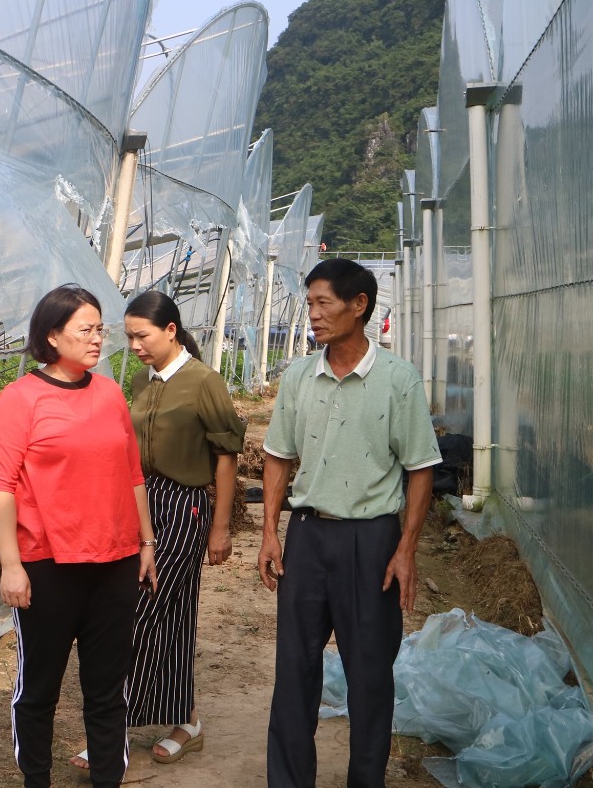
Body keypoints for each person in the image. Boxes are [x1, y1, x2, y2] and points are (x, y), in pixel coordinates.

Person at [257, 258, 441, 788]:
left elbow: (420, 471)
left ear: (358, 305)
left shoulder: (396, 379)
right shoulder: (298, 376)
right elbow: (276, 458)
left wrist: (406, 549)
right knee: (294, 672)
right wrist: (271, 532)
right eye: (309, 303)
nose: (313, 314)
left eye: (324, 303)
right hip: (308, 536)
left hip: (372, 542)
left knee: (369, 677)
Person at [0, 284, 158, 788]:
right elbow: (1, 487)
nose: (97, 338)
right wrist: (12, 564)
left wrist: (145, 544)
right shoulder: (20, 400)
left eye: (99, 328)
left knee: (106, 689)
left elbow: (133, 475)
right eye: (85, 329)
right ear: (52, 336)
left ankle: (108, 778)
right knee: (39, 689)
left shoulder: (108, 392)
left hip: (116, 563)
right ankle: (35, 779)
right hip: (48, 566)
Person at [74, 289, 247, 768]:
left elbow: (226, 456)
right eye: (128, 336)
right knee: (165, 613)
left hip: (183, 505)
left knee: (143, 610)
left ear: (171, 330)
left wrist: (220, 526)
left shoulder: (203, 381)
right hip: (140, 503)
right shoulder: (141, 381)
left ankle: (113, 731)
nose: (133, 345)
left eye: (141, 335)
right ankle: (186, 721)